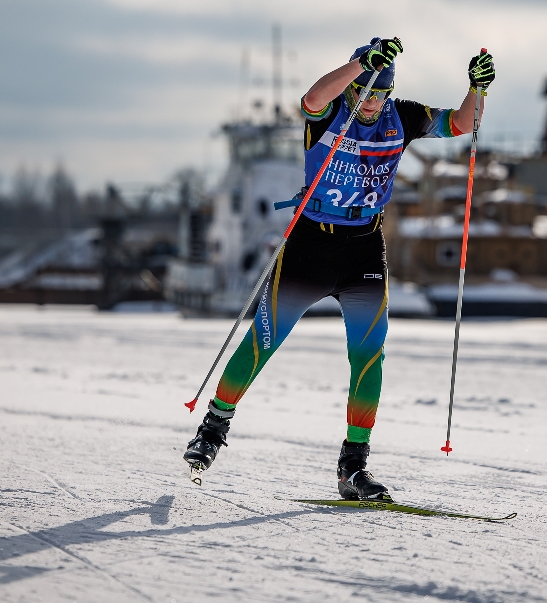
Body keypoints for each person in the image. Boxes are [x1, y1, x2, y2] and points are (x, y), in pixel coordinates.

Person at [184, 37, 496, 500]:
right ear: (351, 88)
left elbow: (464, 122)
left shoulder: (402, 116)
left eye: (379, 94)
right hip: (311, 246)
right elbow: (311, 98)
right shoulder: (330, 113)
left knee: (369, 356)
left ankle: (354, 465)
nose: (371, 102)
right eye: (365, 92)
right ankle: (213, 428)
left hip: (363, 249)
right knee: (263, 342)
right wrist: (358, 67)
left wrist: (478, 88)